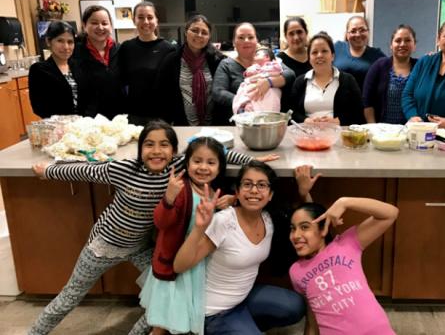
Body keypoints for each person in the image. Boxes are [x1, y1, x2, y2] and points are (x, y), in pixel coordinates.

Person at [27, 120, 274, 335]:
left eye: (164, 145)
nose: (157, 151)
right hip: (104, 245)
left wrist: (252, 163)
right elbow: (86, 171)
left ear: (175, 151)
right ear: (140, 148)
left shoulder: (176, 167)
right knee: (69, 297)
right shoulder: (122, 169)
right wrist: (48, 171)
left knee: (162, 301)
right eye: (149, 145)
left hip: (142, 247)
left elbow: (218, 153)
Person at [173, 161, 305, 334]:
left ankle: (244, 326)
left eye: (262, 185)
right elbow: (179, 265)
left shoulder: (269, 218)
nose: (254, 190)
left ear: (271, 194)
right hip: (215, 312)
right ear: (237, 191)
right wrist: (199, 228)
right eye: (247, 184)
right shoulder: (224, 221)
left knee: (295, 306)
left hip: (244, 299)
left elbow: (310, 224)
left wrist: (304, 192)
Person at [138, 137, 227, 335]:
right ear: (187, 163)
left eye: (211, 162)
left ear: (220, 168)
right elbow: (161, 222)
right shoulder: (181, 190)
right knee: (161, 324)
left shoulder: (214, 193)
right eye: (197, 161)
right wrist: (169, 197)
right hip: (173, 265)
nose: (203, 167)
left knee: (182, 316)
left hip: (195, 264)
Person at [289, 197, 399, 335]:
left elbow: (390, 214)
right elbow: (313, 315)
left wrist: (345, 202)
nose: (295, 235)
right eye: (292, 229)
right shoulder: (296, 271)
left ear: (323, 229)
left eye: (304, 227)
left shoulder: (346, 244)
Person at [212, 22, 296, 125]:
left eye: (251, 37)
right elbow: (218, 92)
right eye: (241, 37)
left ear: (257, 41)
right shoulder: (226, 64)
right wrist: (243, 103)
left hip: (270, 123)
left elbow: (290, 74)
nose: (246, 41)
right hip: (240, 124)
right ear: (234, 42)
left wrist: (269, 82)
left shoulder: (269, 60)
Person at [154, 14, 225, 126]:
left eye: (204, 32)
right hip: (182, 125)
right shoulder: (171, 60)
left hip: (213, 126)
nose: (199, 35)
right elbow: (161, 95)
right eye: (195, 30)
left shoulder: (217, 60)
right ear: (186, 32)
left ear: (209, 37)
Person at [291, 31, 365, 126]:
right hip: (307, 135)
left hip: (339, 134)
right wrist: (306, 120)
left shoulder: (348, 80)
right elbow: (292, 112)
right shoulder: (300, 82)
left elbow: (358, 112)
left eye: (324, 51)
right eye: (314, 52)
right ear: (309, 58)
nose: (319, 55)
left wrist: (338, 121)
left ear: (332, 56)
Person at [119, 1, 175, 126]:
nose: (146, 22)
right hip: (134, 115)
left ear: (156, 21)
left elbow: (172, 86)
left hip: (161, 116)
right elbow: (121, 81)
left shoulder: (168, 49)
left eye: (150, 17)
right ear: (134, 20)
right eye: (140, 17)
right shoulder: (126, 47)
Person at [72, 5, 125, 119]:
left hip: (119, 118)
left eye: (105, 23)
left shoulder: (121, 50)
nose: (100, 27)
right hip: (88, 119)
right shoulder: (74, 53)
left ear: (110, 26)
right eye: (94, 23)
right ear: (84, 25)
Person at [363, 25, 418, 124]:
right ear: (391, 45)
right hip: (383, 132)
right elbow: (367, 101)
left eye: (407, 40)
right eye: (398, 40)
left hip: (413, 131)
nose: (402, 44)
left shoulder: (421, 67)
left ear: (414, 45)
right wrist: (373, 127)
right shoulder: (379, 66)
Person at [29, 20, 83, 118]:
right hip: (57, 128)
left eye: (70, 42)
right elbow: (39, 107)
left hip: (82, 125)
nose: (66, 47)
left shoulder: (79, 66)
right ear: (48, 41)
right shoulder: (39, 70)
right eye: (60, 41)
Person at [333, 16, 386, 91]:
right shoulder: (336, 48)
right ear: (347, 34)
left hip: (365, 101)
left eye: (362, 30)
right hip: (337, 101)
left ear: (368, 32)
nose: (358, 34)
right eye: (353, 31)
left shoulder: (377, 55)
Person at [233, 46, 283, 114]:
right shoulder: (254, 67)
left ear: (267, 57)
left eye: (257, 55)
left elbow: (277, 73)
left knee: (269, 103)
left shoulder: (274, 65)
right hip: (252, 92)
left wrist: (262, 75)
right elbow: (247, 75)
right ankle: (245, 106)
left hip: (269, 90)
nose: (254, 57)